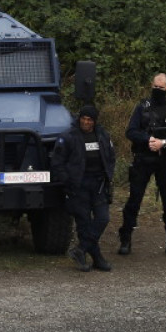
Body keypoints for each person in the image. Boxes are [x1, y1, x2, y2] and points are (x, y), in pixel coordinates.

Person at [117, 73, 166, 256]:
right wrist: (148, 139)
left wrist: (164, 143)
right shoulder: (142, 107)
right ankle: (126, 238)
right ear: (151, 85)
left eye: (161, 88)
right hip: (143, 158)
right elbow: (130, 131)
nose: (157, 90)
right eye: (155, 87)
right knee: (134, 199)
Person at [51, 105, 116, 272]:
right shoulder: (68, 137)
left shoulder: (102, 135)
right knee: (84, 223)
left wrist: (108, 175)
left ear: (95, 121)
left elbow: (110, 156)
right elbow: (57, 163)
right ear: (79, 119)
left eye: (89, 120)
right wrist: (68, 181)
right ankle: (96, 258)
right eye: (83, 119)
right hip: (78, 186)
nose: (86, 122)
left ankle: (80, 249)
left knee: (103, 218)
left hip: (99, 184)